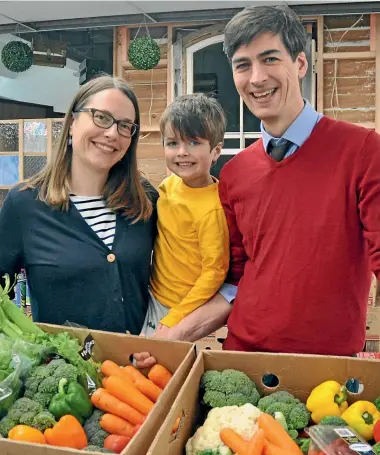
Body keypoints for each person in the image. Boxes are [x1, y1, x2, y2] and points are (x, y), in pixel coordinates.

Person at [134, 5, 380, 367]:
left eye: (269, 59)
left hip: (328, 366)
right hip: (242, 356)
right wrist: (171, 337)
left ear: (300, 64)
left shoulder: (362, 150)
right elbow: (235, 278)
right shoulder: (234, 174)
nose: (256, 78)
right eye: (243, 65)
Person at [0, 75, 158, 334]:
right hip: (64, 370)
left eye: (125, 125)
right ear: (72, 123)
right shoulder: (25, 205)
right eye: (102, 118)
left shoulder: (145, 201)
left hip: (139, 371)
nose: (111, 133)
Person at [140, 93, 229, 338]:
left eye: (193, 143)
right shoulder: (168, 186)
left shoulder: (213, 209)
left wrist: (177, 317)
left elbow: (215, 271)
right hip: (150, 294)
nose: (182, 152)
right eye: (172, 143)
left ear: (216, 151)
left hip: (177, 307)